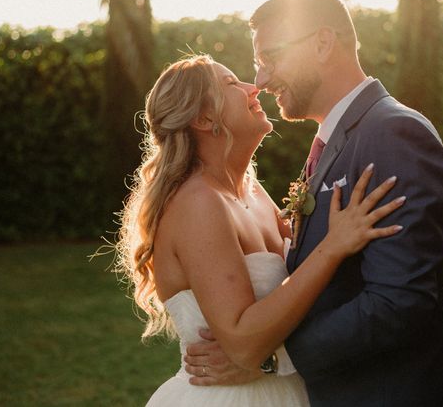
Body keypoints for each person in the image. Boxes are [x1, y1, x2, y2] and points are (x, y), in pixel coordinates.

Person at [183, 0, 443, 406]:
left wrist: (273, 357)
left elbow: (399, 303)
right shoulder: (335, 141)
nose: (260, 80)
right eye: (257, 63)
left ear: (322, 43)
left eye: (270, 58)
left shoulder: (393, 134)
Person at [116, 54, 405, 406]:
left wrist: (274, 363)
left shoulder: (251, 190)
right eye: (231, 84)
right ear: (204, 118)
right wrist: (333, 246)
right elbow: (240, 340)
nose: (254, 89)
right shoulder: (199, 203)